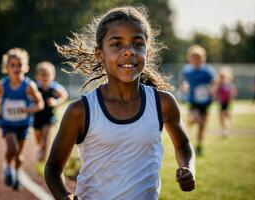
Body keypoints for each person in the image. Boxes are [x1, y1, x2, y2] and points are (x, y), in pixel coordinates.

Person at [45, 6, 195, 200]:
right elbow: (53, 168)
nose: (128, 51)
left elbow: (183, 144)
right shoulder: (81, 111)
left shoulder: (163, 103)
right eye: (117, 44)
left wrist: (187, 167)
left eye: (137, 43)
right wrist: (64, 196)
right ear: (100, 54)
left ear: (147, 53)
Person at [0, 48, 44, 190]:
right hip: (7, 124)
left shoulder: (28, 86)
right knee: (12, 147)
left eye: (19, 65)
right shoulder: (2, 86)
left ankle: (17, 173)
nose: (16, 68)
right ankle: (7, 167)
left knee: (19, 155)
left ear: (25, 67)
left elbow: (40, 104)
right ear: (6, 68)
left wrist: (28, 109)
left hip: (23, 124)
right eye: (12, 65)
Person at [179, 45, 216, 156]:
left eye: (199, 57)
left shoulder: (207, 71)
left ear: (204, 58)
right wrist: (184, 87)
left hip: (205, 102)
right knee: (192, 119)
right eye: (194, 57)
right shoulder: (187, 70)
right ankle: (193, 119)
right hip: (193, 101)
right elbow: (183, 82)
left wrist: (211, 91)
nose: (196, 59)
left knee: (202, 126)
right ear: (189, 58)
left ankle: (199, 146)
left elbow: (214, 82)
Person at [33, 61, 68, 163]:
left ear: (53, 76)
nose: (46, 78)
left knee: (45, 135)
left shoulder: (54, 87)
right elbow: (28, 96)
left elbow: (64, 95)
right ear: (37, 76)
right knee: (39, 139)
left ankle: (45, 158)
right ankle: (42, 150)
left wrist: (55, 102)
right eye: (43, 75)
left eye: (48, 75)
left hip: (49, 117)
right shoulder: (35, 88)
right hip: (37, 117)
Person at [214, 66, 237, 137]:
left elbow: (232, 91)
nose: (221, 78)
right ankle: (224, 128)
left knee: (225, 114)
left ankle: (227, 126)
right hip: (221, 102)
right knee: (220, 116)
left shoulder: (227, 84)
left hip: (227, 102)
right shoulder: (218, 84)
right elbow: (216, 92)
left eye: (222, 76)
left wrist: (231, 98)